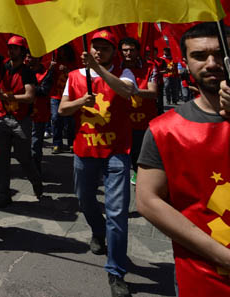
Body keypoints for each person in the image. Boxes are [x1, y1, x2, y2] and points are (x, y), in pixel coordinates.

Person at [136, 22, 230, 295]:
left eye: (221, 53)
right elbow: (147, 201)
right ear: (187, 64)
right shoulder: (163, 130)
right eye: (199, 56)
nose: (212, 63)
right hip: (205, 281)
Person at [59, 29, 137, 297]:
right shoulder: (73, 77)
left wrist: (98, 71)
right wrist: (82, 100)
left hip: (117, 152)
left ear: (113, 52)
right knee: (85, 200)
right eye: (95, 47)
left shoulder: (124, 74)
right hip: (84, 151)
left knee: (117, 213)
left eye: (104, 48)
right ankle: (97, 230)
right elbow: (62, 109)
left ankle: (116, 272)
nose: (98, 52)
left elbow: (126, 92)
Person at [0, 35, 44, 207]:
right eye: (9, 47)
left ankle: (36, 181)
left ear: (22, 52)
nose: (11, 50)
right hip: (1, 119)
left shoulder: (27, 72)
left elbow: (30, 97)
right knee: (2, 159)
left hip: (20, 121)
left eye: (15, 48)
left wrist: (10, 97)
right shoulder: (2, 66)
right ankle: (3, 194)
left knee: (24, 158)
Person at [118, 37, 159, 185]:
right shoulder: (116, 67)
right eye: (124, 50)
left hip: (144, 119)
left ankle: (142, 180)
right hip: (121, 119)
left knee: (139, 152)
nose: (128, 53)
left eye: (131, 50)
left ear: (138, 51)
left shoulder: (150, 67)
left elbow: (153, 93)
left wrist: (133, 90)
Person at [49, 44, 77, 153]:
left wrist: (68, 71)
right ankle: (57, 143)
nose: (61, 52)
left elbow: (77, 77)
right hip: (56, 95)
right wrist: (50, 69)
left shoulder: (74, 64)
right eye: (59, 50)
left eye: (63, 50)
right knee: (56, 118)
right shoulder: (54, 62)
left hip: (70, 97)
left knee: (70, 121)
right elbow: (47, 77)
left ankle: (71, 143)